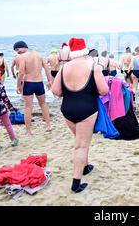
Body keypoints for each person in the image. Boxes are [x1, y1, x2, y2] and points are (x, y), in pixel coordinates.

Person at [51, 38, 109, 193]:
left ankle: (85, 167)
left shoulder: (64, 68)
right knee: (81, 146)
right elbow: (104, 90)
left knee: (80, 141)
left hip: (68, 109)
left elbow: (55, 91)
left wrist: (69, 92)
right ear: (85, 50)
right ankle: (76, 183)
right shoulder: (93, 67)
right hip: (87, 109)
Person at [14, 41, 53, 136]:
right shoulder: (39, 55)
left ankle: (28, 131)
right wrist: (49, 81)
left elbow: (21, 73)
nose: (17, 52)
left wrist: (18, 85)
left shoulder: (23, 57)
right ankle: (48, 125)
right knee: (43, 104)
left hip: (28, 83)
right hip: (39, 83)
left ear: (23, 47)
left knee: (28, 107)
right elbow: (47, 69)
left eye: (17, 50)